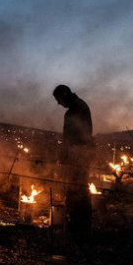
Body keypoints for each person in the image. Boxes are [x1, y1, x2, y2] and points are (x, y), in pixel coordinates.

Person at [53, 84, 93, 242]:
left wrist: (66, 155)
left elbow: (72, 138)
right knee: (78, 189)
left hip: (78, 156)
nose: (58, 104)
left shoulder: (76, 110)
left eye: (58, 100)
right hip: (79, 155)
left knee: (77, 191)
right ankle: (79, 225)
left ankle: (79, 227)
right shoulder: (80, 106)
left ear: (64, 95)